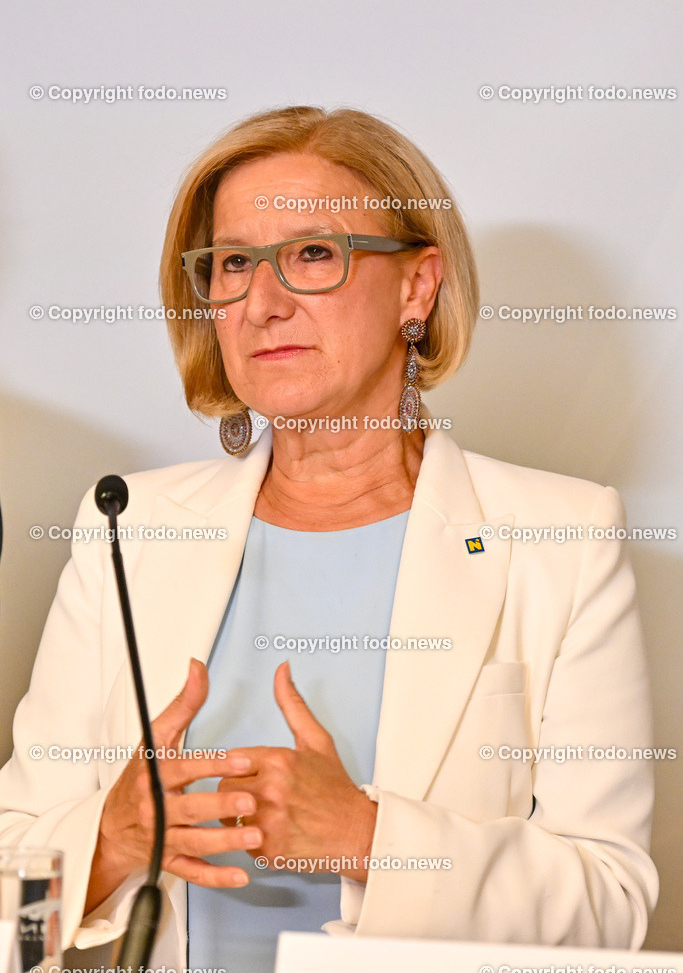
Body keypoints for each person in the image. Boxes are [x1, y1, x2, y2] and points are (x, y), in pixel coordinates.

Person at [0, 106, 658, 973]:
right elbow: (14, 897)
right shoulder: (128, 526)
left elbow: (610, 903)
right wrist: (113, 839)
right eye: (233, 263)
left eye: (314, 254)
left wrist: (369, 838)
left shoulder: (560, 538)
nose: (262, 303)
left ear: (416, 289)